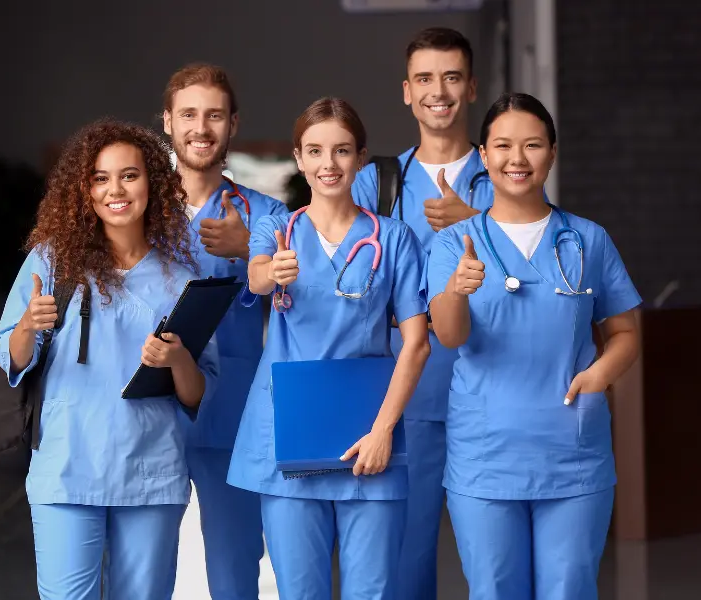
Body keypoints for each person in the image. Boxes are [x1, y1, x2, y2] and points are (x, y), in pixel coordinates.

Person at [425, 92, 642, 599]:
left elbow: (626, 334)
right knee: (495, 590)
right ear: (483, 156)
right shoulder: (454, 243)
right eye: (502, 146)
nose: (516, 159)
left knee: (568, 588)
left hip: (572, 450)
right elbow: (450, 336)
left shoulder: (588, 240)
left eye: (532, 145)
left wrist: (599, 376)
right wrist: (457, 289)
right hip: (486, 456)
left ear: (552, 152)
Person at [0, 119, 219, 600]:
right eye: (100, 178)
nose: (115, 189)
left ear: (153, 184)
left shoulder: (179, 281)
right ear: (83, 190)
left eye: (129, 175)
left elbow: (199, 393)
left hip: (151, 477)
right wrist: (29, 325)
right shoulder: (51, 263)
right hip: (67, 469)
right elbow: (10, 359)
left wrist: (178, 359)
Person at [227, 97, 431, 599]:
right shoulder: (276, 231)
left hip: (368, 438)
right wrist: (270, 271)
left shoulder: (395, 239)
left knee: (374, 592)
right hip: (291, 438)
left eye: (342, 151)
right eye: (315, 151)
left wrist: (383, 432)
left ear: (361, 158)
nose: (328, 164)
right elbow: (255, 278)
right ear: (298, 158)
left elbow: (418, 342)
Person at [350, 26, 490, 598]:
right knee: (405, 564)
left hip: (492, 398)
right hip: (408, 399)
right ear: (407, 91)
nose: (439, 91)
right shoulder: (375, 183)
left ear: (472, 88)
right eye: (426, 79)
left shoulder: (503, 175)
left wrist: (472, 224)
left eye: (452, 77)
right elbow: (343, 280)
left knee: (495, 564)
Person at [162, 62, 288, 599]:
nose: (201, 127)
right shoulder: (134, 211)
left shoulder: (268, 217)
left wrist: (246, 251)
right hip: (150, 415)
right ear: (166, 122)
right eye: (188, 114)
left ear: (233, 123)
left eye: (214, 115)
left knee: (235, 569)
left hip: (233, 414)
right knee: (140, 569)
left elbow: (311, 302)